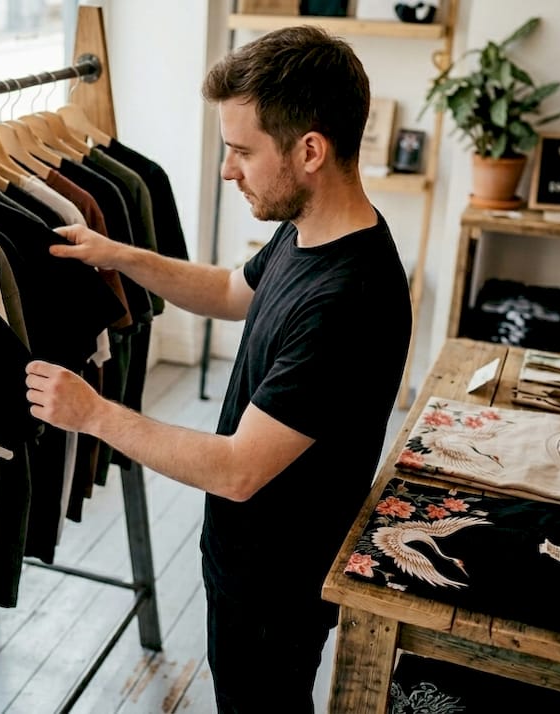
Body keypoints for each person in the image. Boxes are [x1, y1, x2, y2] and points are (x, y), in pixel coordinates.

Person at [24, 25, 411, 711]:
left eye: (240, 151)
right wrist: (120, 255)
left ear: (310, 151)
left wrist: (94, 414)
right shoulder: (309, 232)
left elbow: (237, 470)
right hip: (247, 563)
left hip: (278, 586)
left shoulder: (349, 301)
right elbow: (234, 291)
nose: (227, 170)